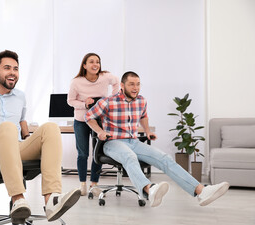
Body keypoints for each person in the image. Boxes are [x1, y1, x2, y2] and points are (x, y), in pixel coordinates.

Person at [0, 50, 81, 224]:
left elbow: (22, 120)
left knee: (51, 128)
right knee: (7, 128)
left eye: (16, 69)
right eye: (7, 68)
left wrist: (27, 137)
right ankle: (18, 199)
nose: (12, 72)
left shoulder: (20, 96)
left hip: (15, 147)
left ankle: (51, 200)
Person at [85, 71, 229, 207]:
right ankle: (149, 189)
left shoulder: (141, 101)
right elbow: (88, 117)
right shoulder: (108, 101)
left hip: (133, 141)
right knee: (129, 157)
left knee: (164, 158)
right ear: (122, 86)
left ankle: (201, 191)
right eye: (131, 84)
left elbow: (143, 116)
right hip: (112, 142)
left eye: (138, 84)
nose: (136, 88)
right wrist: (99, 131)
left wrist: (147, 132)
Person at [67, 53, 120, 196]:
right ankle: (83, 184)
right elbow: (70, 101)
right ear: (84, 65)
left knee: (97, 153)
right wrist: (85, 103)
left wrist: (111, 99)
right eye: (91, 62)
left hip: (99, 120)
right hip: (82, 120)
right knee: (83, 154)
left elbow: (117, 83)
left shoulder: (105, 76)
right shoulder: (76, 82)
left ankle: (94, 184)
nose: (95, 64)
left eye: (97, 62)